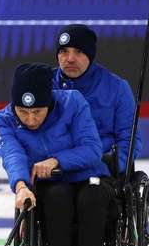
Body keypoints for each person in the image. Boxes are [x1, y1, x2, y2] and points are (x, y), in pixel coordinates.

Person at [0, 63, 115, 246]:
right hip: (52, 185)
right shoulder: (2, 121)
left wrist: (58, 160)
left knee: (92, 197)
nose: (30, 119)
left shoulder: (73, 103)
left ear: (49, 103)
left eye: (37, 111)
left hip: (89, 177)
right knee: (57, 197)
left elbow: (92, 149)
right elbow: (13, 156)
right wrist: (21, 186)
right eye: (23, 112)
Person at [53, 24, 141, 175]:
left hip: (100, 170)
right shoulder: (43, 85)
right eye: (64, 51)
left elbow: (129, 139)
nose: (70, 59)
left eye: (79, 52)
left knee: (93, 196)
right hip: (57, 170)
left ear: (90, 55)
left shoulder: (117, 88)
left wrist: (109, 168)